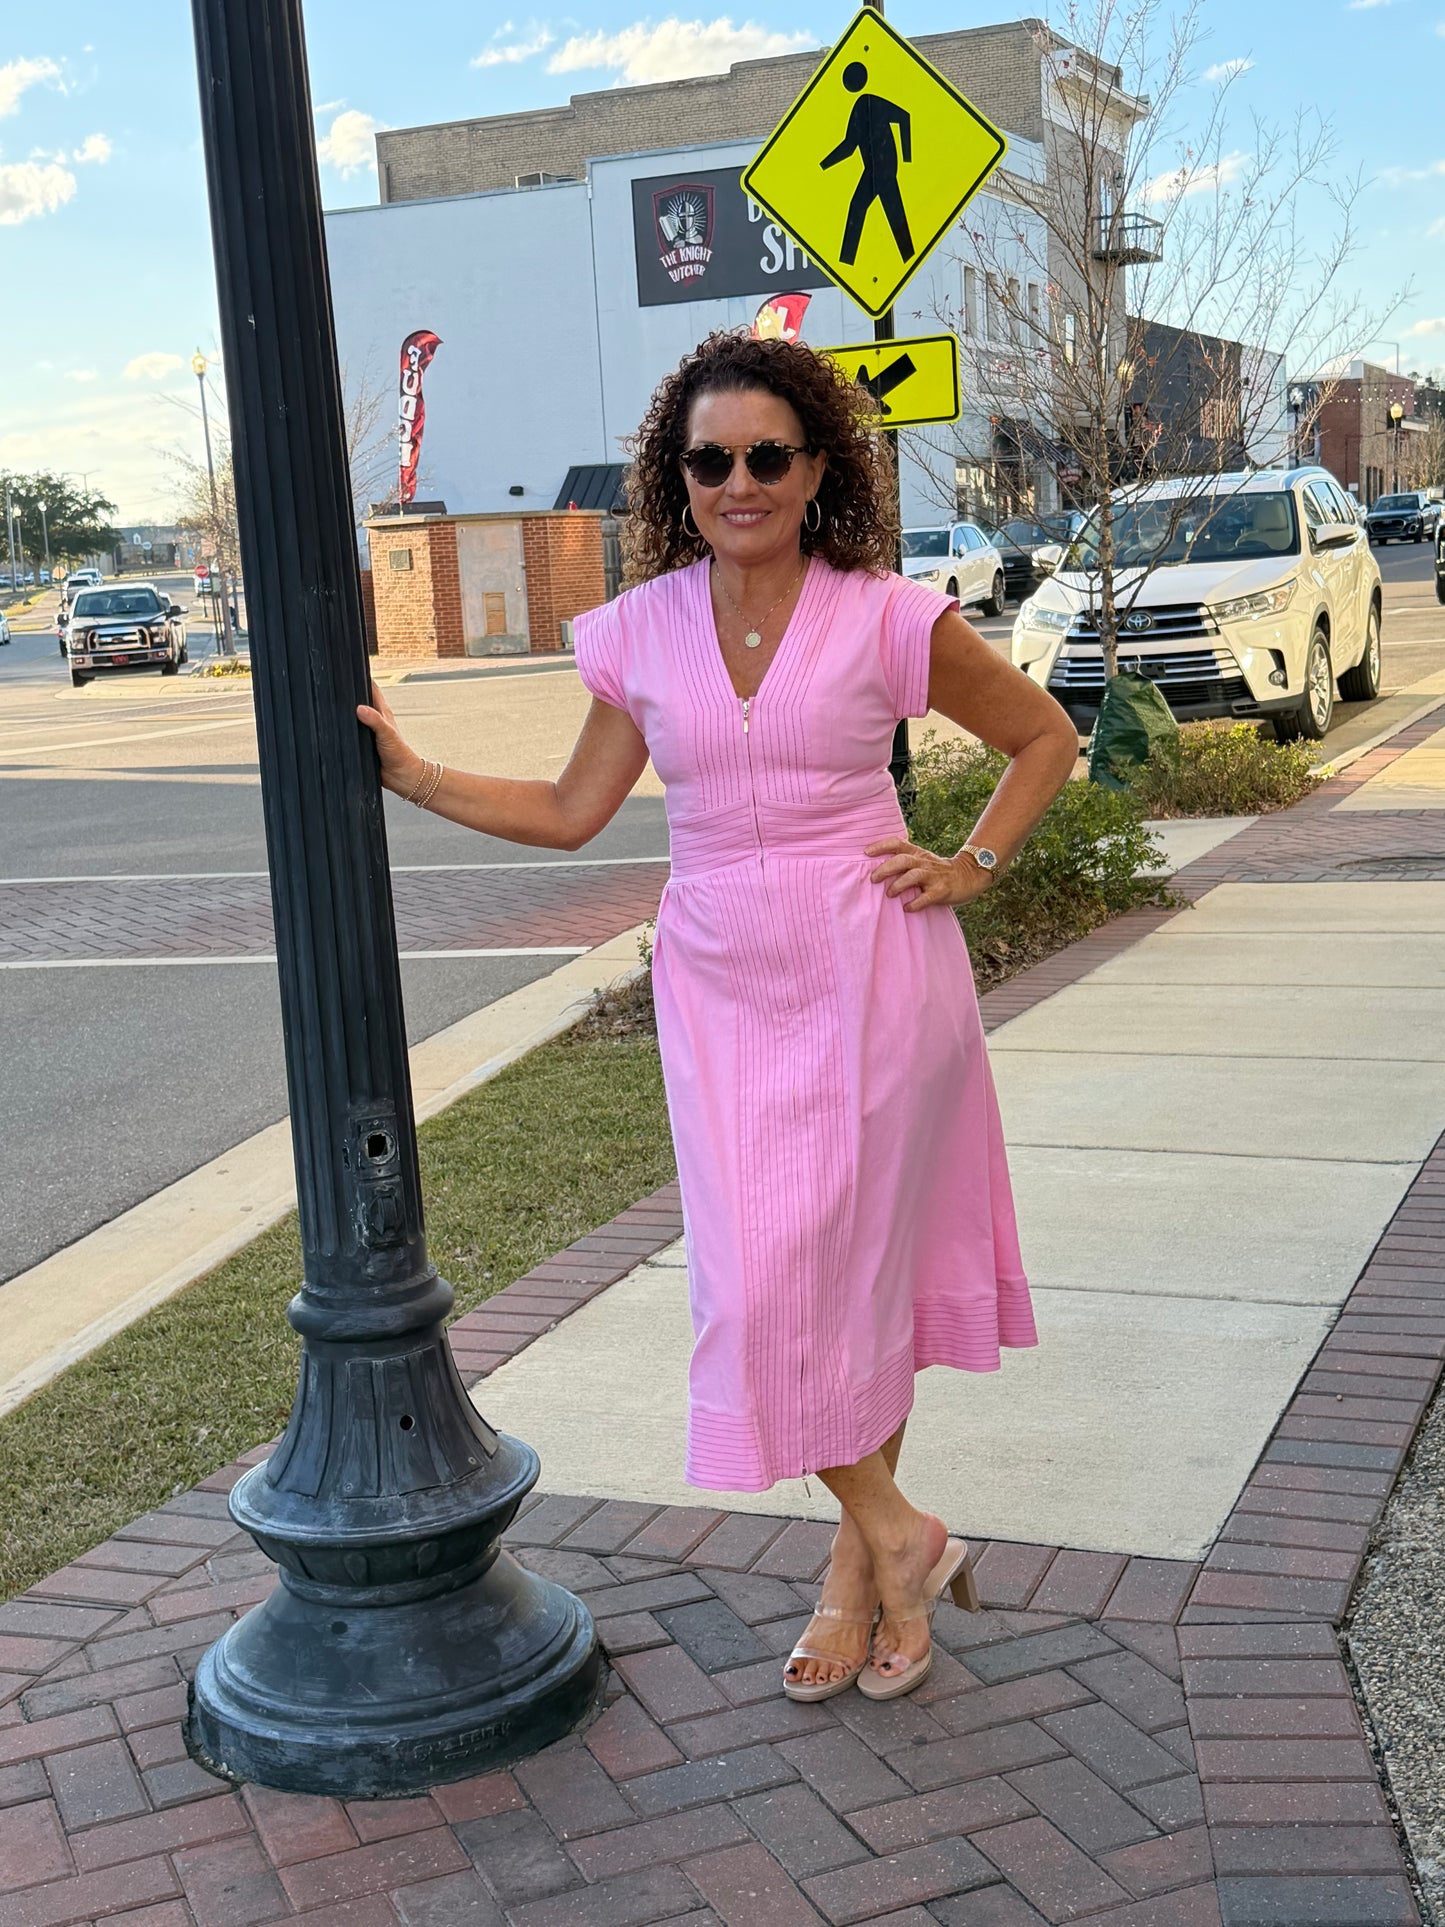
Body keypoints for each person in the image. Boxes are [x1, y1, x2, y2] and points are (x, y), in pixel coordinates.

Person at [358, 331, 1079, 1701]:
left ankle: (862, 1579)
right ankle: (894, 1532)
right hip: (723, 985)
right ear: (673, 477)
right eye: (709, 459)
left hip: (875, 971)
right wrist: (411, 773)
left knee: (858, 1278)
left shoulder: (885, 616)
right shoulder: (638, 633)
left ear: (817, 470)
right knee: (762, 1284)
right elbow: (572, 812)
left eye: (766, 456)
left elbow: (1042, 737)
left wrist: (971, 865)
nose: (737, 481)